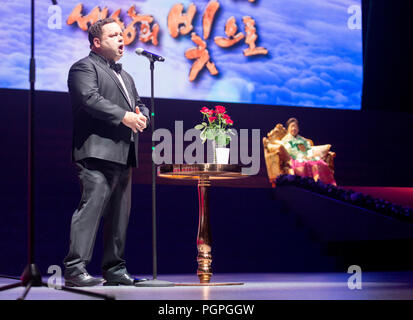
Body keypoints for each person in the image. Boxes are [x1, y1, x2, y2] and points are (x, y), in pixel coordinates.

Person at [63, 18, 150, 287]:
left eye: (122, 34)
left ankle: (114, 269)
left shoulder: (126, 76)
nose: (122, 39)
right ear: (97, 43)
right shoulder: (83, 67)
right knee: (91, 207)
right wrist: (125, 116)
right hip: (96, 151)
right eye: (114, 35)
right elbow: (89, 99)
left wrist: (142, 115)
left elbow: (139, 105)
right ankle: (75, 269)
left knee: (119, 214)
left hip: (124, 153)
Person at [281, 118, 336, 185]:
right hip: (296, 158)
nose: (294, 128)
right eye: (292, 126)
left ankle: (325, 185)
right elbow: (289, 151)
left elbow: (309, 148)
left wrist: (309, 155)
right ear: (288, 129)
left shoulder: (302, 139)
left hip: (307, 157)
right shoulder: (286, 140)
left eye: (295, 126)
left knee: (320, 163)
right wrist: (301, 156)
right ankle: (309, 185)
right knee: (305, 164)